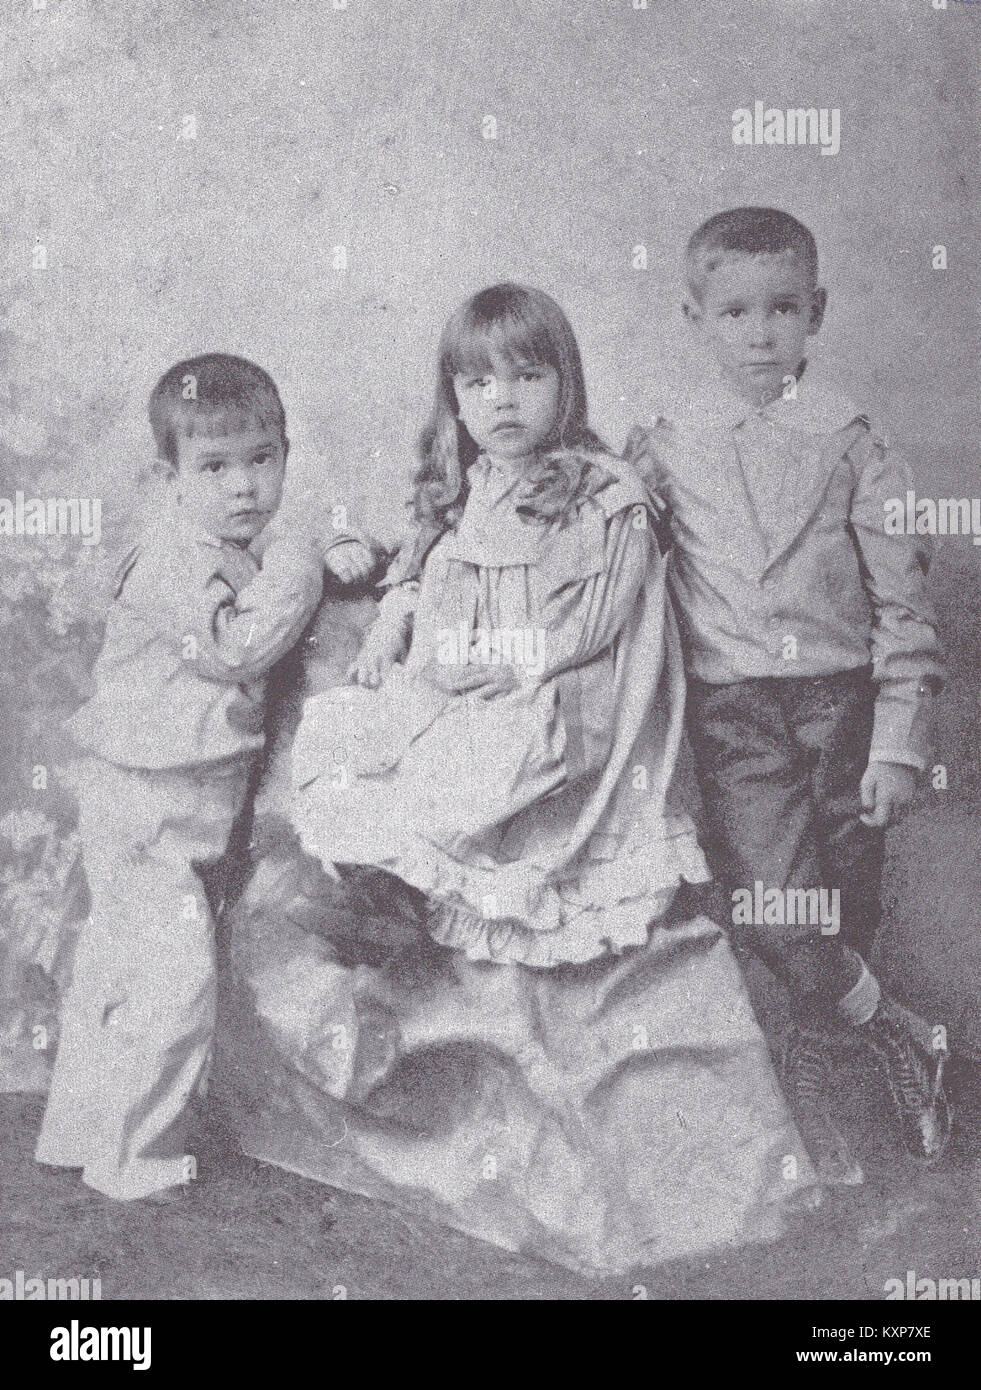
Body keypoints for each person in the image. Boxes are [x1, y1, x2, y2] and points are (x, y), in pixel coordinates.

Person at [282, 284, 819, 1273]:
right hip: (476, 677)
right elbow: (432, 560)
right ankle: (393, 922)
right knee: (350, 736)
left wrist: (464, 661)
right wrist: (399, 600)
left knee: (476, 761)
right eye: (478, 379)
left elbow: (590, 629)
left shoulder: (597, 491)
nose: (504, 399)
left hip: (566, 704)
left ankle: (428, 876)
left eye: (529, 374)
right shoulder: (473, 480)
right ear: (455, 394)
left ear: (566, 383)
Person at [637, 207, 950, 1182]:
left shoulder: (854, 441)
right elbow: (605, 534)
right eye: (733, 312)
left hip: (846, 711)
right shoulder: (668, 440)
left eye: (781, 309)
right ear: (694, 317)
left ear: (815, 313)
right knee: (777, 914)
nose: (759, 331)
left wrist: (899, 743)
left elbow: (903, 605)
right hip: (739, 719)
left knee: (842, 917)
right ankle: (902, 1029)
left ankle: (844, 1130)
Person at [35, 352, 373, 1201]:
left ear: (285, 456)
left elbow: (302, 550)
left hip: (159, 800)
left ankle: (81, 1134)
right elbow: (237, 647)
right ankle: (136, 1157)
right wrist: (303, 561)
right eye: (214, 467)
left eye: (262, 460)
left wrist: (332, 540)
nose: (243, 487)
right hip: (148, 803)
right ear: (170, 476)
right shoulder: (176, 560)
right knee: (171, 982)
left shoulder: (229, 542)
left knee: (118, 968)